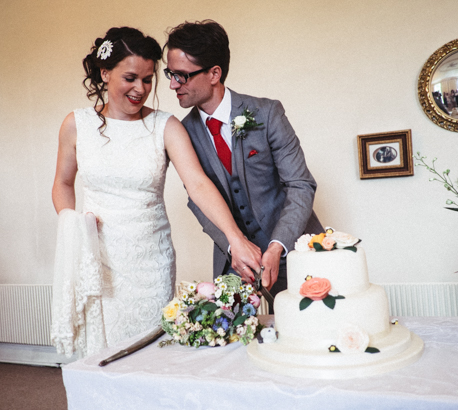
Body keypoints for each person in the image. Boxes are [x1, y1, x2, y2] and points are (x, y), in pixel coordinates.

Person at [51, 27, 261, 351]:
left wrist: (236, 238)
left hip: (151, 262)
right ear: (105, 73)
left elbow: (198, 183)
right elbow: (63, 183)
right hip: (98, 255)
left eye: (148, 79)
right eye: (131, 77)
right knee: (103, 355)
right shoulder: (75, 124)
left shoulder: (166, 126)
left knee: (150, 352)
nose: (141, 89)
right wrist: (72, 223)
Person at [164, 20, 322, 301]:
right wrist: (233, 246)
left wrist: (276, 247)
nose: (173, 84)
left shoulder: (267, 113)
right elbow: (198, 200)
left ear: (214, 73)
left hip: (294, 249)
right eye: (170, 74)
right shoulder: (181, 132)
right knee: (234, 341)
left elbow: (300, 185)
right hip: (233, 261)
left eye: (182, 76)